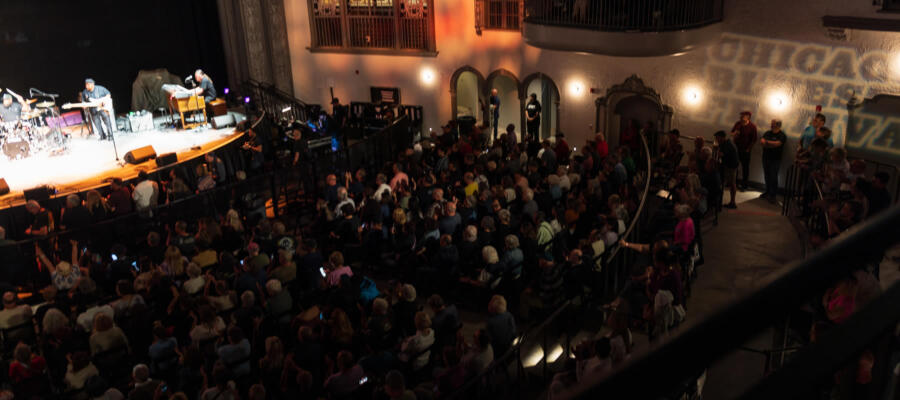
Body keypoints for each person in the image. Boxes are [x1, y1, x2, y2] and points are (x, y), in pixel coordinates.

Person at [760, 119, 786, 203]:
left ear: (777, 125)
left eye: (773, 123)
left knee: (773, 177)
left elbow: (778, 144)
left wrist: (767, 143)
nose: (771, 124)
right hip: (766, 158)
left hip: (775, 159)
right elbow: (762, 142)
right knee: (767, 176)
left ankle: (773, 195)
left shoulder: (782, 135)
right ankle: (767, 192)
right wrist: (771, 144)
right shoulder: (767, 133)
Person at [731, 111, 758, 190]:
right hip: (736, 148)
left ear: (748, 117)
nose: (741, 117)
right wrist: (734, 134)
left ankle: (744, 185)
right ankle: (733, 183)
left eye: (743, 116)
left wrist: (748, 149)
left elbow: (754, 139)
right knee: (734, 166)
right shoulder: (737, 124)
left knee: (745, 168)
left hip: (745, 150)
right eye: (741, 115)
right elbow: (731, 133)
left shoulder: (752, 126)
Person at [714, 130, 739, 209]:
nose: (716, 140)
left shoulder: (728, 144)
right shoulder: (724, 143)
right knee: (730, 183)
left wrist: (717, 150)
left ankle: (732, 202)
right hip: (729, 165)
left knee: (731, 183)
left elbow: (721, 154)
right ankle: (729, 202)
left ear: (722, 137)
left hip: (731, 166)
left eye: (717, 138)